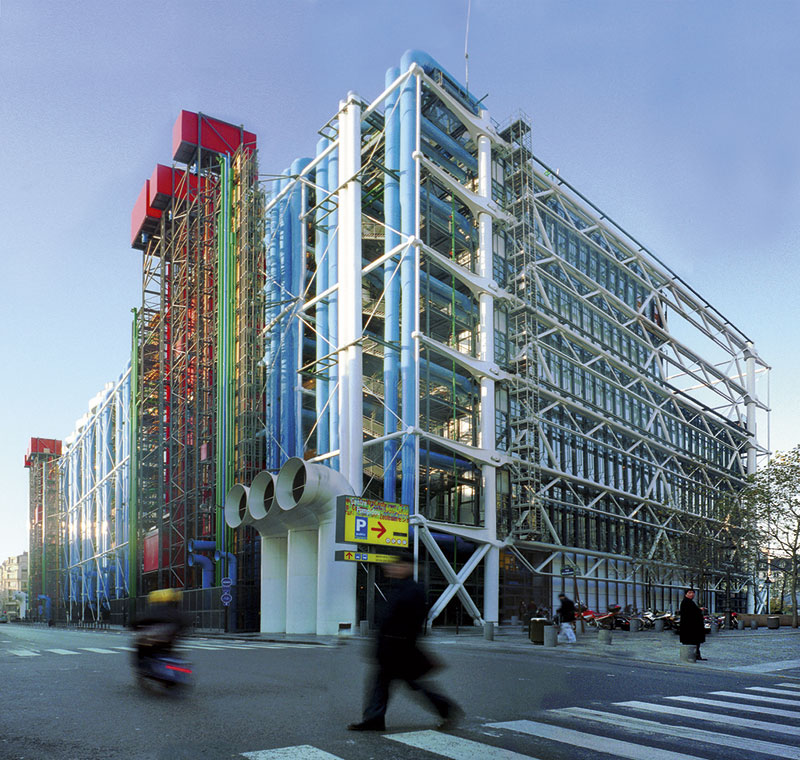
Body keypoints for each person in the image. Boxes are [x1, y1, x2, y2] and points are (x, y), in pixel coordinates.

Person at [348, 551, 462, 732]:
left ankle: (445, 708)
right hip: (392, 647)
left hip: (400, 649)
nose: (391, 568)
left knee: (411, 684)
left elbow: (412, 621)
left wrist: (399, 642)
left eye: (397, 565)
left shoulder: (412, 590)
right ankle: (374, 719)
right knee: (383, 684)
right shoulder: (400, 587)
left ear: (408, 567)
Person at [131, 588, 189, 666]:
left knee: (141, 648)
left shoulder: (150, 612)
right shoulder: (175, 613)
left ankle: (141, 666)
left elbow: (136, 622)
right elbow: (184, 625)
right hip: (167, 646)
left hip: (151, 647)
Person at [679, 588, 706, 661]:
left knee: (695, 642)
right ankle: (692, 655)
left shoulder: (690, 602)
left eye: (693, 593)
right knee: (692, 641)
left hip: (693, 627)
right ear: (686, 594)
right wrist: (699, 610)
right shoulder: (685, 602)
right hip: (690, 627)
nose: (692, 594)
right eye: (689, 593)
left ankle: (696, 655)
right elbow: (690, 613)